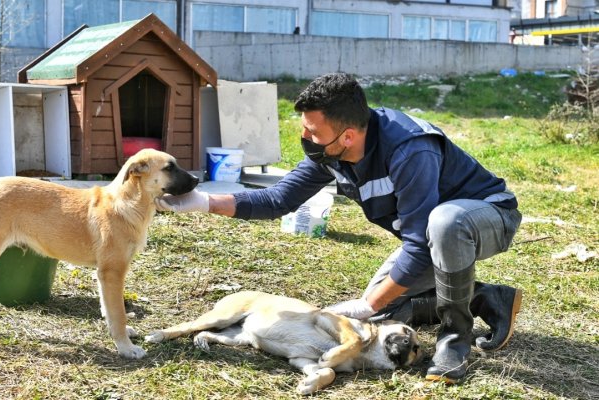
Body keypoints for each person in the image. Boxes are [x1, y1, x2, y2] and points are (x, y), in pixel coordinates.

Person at [155, 73, 523, 383]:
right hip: (428, 240)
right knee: (379, 318)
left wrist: (367, 303)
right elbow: (277, 200)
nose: (306, 138)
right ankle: (483, 297)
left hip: (486, 218)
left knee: (443, 225)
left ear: (347, 135)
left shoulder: (410, 150)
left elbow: (418, 247)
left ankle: (454, 341)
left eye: (313, 131)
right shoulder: (330, 154)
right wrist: (204, 202)